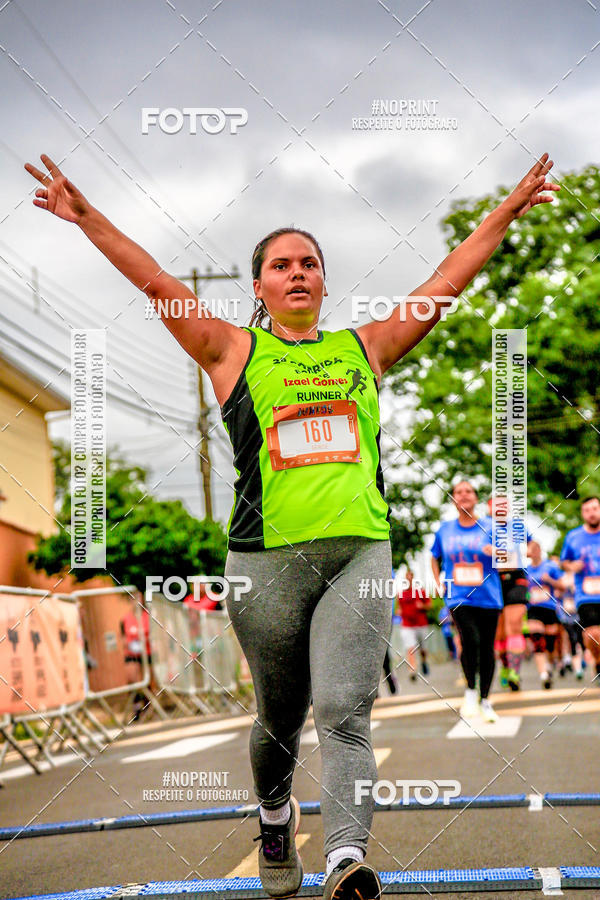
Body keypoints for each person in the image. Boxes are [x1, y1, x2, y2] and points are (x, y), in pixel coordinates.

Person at [25, 151, 558, 900]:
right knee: (279, 719)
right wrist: (86, 218)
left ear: (325, 281)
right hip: (265, 562)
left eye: (310, 262)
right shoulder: (230, 350)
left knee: (344, 710)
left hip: (359, 554)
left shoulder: (363, 349)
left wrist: (505, 212)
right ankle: (275, 817)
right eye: (282, 264)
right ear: (260, 286)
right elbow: (153, 282)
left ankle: (345, 858)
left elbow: (447, 282)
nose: (299, 272)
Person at [431, 481, 503, 722]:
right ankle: (471, 691)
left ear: (475, 498)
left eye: (468, 491)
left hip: (489, 596)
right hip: (458, 595)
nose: (463, 495)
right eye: (458, 492)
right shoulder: (444, 529)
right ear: (453, 499)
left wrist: (495, 552)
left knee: (486, 646)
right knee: (469, 639)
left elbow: (512, 557)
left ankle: (485, 698)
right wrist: (438, 582)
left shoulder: (491, 526)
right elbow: (434, 557)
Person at [484, 496, 532, 691]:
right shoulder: (484, 527)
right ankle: (505, 665)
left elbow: (531, 544)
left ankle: (514, 671)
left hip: (516, 577)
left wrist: (530, 552)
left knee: (514, 626)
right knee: (500, 632)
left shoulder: (517, 526)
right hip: (494, 579)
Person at [560, 496, 600, 685]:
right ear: (583, 514)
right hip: (586, 594)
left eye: (594, 508)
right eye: (587, 510)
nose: (591, 513)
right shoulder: (573, 537)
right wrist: (571, 566)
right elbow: (563, 562)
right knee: (592, 633)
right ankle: (598, 661)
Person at [526, 541, 564, 689]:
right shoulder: (526, 570)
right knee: (537, 640)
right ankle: (543, 674)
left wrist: (549, 581)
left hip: (549, 607)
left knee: (550, 642)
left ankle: (548, 666)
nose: (532, 553)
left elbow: (562, 585)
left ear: (539, 550)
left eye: (535, 549)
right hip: (534, 608)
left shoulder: (551, 567)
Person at [396, 569, 431, 681]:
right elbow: (398, 607)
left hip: (421, 624)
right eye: (407, 578)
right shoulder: (401, 594)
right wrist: (399, 611)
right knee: (410, 648)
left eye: (411, 577)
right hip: (407, 625)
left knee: (423, 649)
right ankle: (412, 670)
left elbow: (429, 605)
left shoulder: (420, 591)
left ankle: (424, 661)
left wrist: (422, 606)